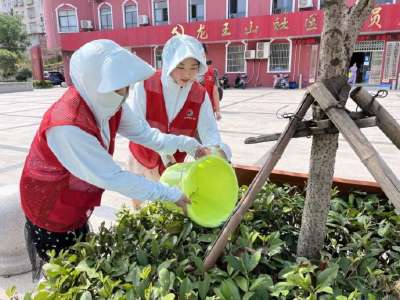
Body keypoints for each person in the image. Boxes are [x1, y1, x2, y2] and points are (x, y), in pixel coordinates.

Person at [20, 39, 207, 271]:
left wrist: (187, 143)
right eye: (117, 87)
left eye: (125, 87)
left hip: (74, 196)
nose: (123, 94)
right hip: (48, 202)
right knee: (64, 270)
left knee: (81, 253)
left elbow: (147, 134)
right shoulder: (67, 126)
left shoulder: (111, 99)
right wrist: (169, 194)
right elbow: (113, 177)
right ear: (94, 82)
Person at [126, 34, 232, 209]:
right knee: (140, 208)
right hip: (142, 157)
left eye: (193, 67)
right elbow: (137, 127)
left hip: (174, 164)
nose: (187, 74)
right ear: (169, 63)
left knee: (167, 209)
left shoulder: (199, 95)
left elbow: (208, 130)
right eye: (180, 66)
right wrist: (163, 148)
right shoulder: (146, 85)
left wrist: (216, 150)